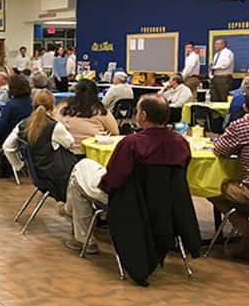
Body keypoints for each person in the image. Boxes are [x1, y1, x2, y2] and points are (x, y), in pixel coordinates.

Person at [60, 94, 191, 253]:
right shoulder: (181, 144)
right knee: (83, 171)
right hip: (164, 201)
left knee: (79, 173)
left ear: (143, 116)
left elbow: (112, 182)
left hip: (128, 201)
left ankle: (80, 232)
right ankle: (72, 216)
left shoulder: (131, 144)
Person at [209, 91, 249, 259]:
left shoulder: (241, 126)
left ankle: (248, 236)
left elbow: (219, 149)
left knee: (214, 188)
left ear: (245, 107)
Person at [3, 89, 74, 177]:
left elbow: (7, 147)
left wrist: (19, 166)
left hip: (35, 174)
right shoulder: (55, 126)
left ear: (33, 105)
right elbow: (70, 144)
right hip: (57, 175)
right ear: (53, 106)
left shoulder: (22, 125)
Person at [56, 79, 119, 154]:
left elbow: (55, 125)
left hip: (65, 154)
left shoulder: (63, 107)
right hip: (92, 154)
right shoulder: (100, 111)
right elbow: (115, 132)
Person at [0, 75, 33, 146]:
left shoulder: (10, 105)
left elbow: (2, 125)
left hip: (13, 139)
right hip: (31, 138)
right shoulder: (34, 102)